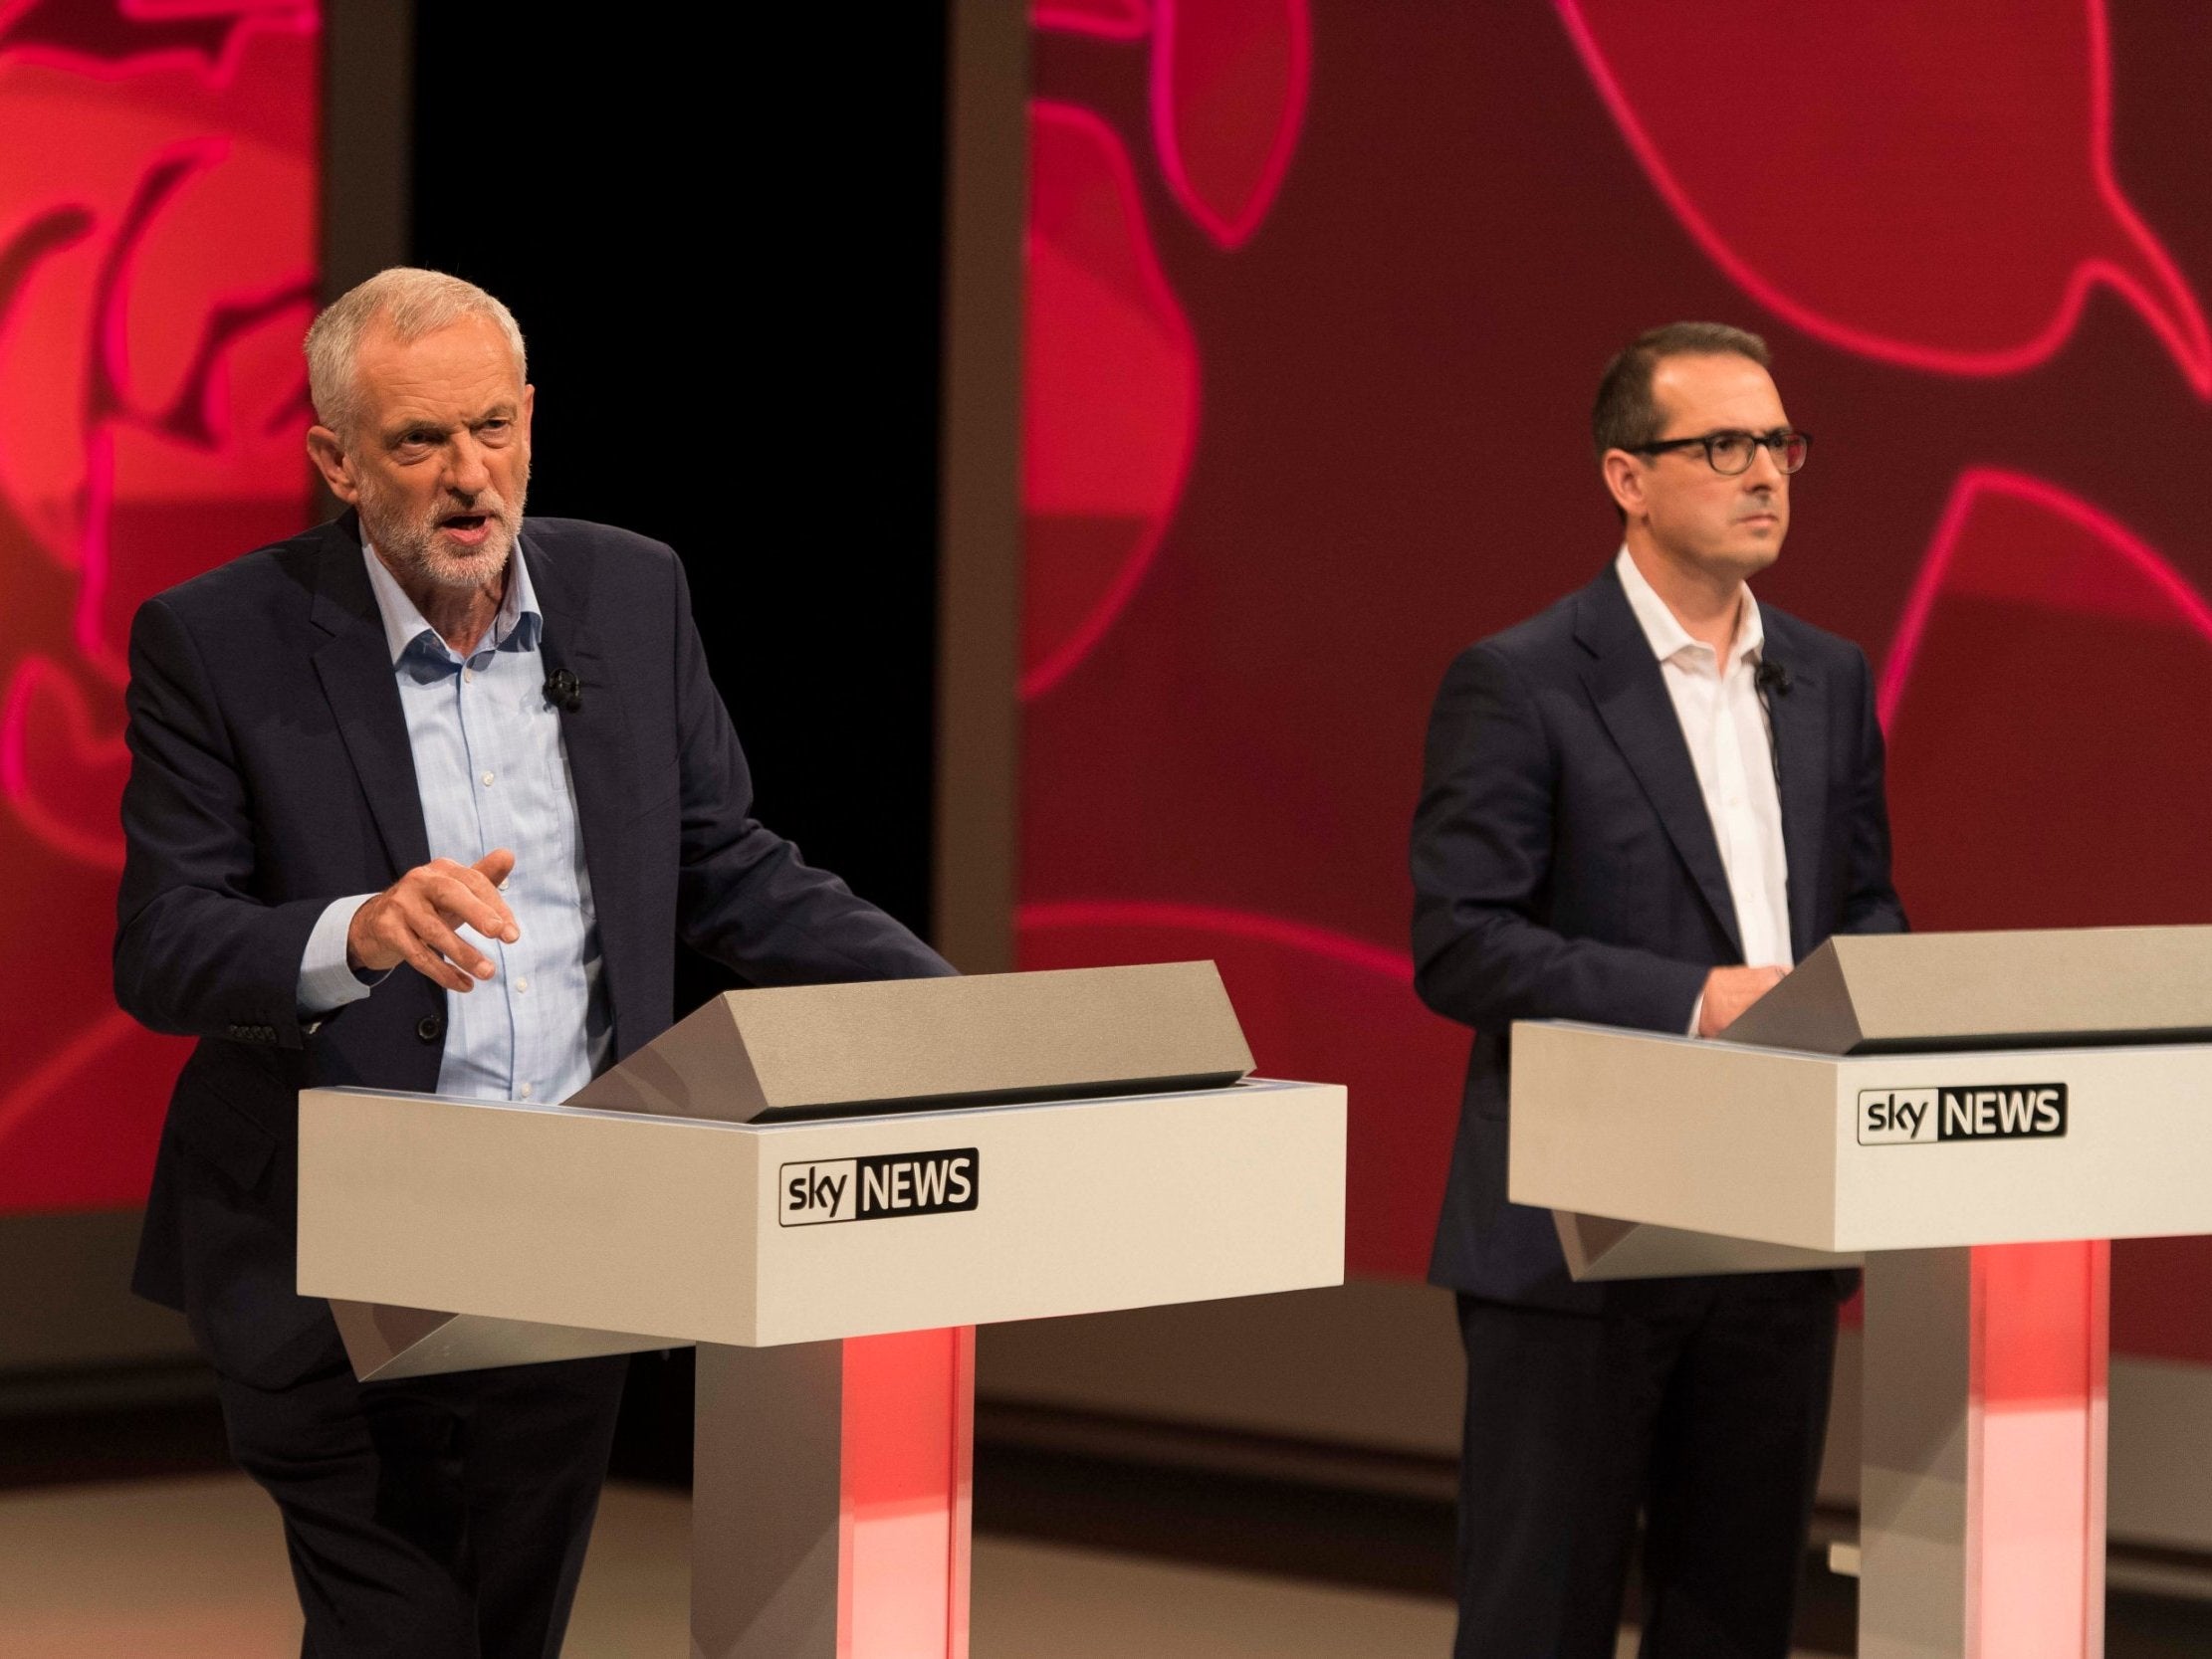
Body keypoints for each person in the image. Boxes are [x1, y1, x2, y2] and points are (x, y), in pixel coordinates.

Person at [112, 267, 953, 1658]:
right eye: (417, 441)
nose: (468, 478)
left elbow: (720, 860)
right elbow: (166, 945)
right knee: (405, 1637)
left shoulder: (630, 591)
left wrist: (953, 1013)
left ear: (532, 419)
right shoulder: (216, 639)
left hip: (571, 1247)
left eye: (493, 429)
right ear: (334, 459)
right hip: (329, 1258)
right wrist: (357, 932)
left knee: (506, 1636)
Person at [1409, 321, 1907, 1658]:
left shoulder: (1828, 676)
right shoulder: (1520, 681)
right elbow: (1460, 942)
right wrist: (1698, 1000)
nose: (1765, 476)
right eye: (1723, 446)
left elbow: (1861, 909)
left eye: (1780, 444)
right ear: (1626, 477)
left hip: (1768, 1229)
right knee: (1539, 1621)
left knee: (1733, 1618)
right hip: (1582, 1239)